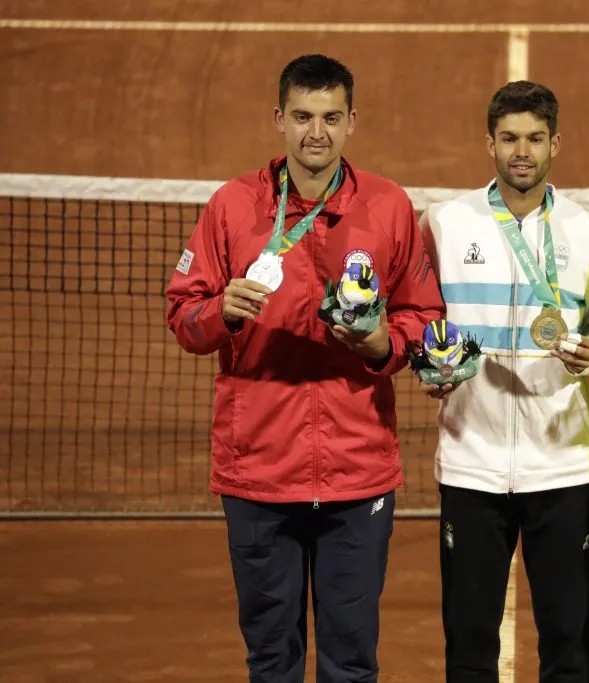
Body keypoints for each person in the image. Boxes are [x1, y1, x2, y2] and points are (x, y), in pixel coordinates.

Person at [165, 53, 444, 683]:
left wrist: (379, 346)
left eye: (330, 117)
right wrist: (221, 313)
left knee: (351, 661)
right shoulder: (232, 206)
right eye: (301, 117)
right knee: (270, 659)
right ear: (279, 120)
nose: (315, 132)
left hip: (357, 472)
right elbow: (184, 316)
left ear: (351, 122)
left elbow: (422, 316)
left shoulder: (389, 206)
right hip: (258, 472)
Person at [418, 81, 589, 683]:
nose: (521, 152)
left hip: (565, 469)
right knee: (469, 646)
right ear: (490, 144)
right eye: (509, 139)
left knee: (568, 647)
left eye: (534, 138)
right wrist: (430, 366)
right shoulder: (444, 224)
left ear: (556, 142)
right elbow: (421, 326)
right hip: (470, 465)